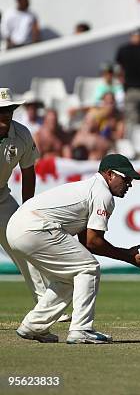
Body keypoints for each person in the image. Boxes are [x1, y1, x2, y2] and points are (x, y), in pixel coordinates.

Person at [7, 154, 140, 343]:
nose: (129, 184)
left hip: (16, 229)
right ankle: (81, 329)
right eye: (125, 178)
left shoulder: (89, 188)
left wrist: (127, 255)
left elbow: (86, 242)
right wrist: (128, 257)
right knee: (88, 268)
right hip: (36, 227)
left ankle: (33, 326)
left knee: (67, 278)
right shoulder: (103, 194)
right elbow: (94, 242)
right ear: (110, 175)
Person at [0, 88, 49, 311]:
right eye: (1, 110)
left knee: (25, 244)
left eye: (9, 109)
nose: (5, 114)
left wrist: (27, 209)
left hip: (1, 198)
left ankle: (46, 306)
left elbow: (28, 171)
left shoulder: (21, 134)